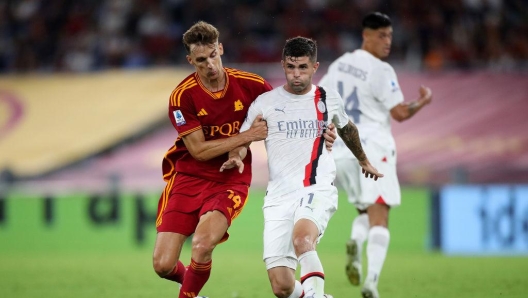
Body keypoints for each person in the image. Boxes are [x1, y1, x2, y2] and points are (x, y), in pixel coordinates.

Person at [152, 21, 336, 298]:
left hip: (229, 178)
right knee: (163, 265)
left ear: (221, 49)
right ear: (191, 61)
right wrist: (246, 136)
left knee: (202, 245)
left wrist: (325, 132)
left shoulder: (251, 85)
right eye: (201, 60)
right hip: (188, 177)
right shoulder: (182, 96)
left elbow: (290, 111)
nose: (210, 64)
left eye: (213, 55)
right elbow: (199, 151)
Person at [220, 36, 383, 298]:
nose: (296, 75)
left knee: (302, 240)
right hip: (278, 196)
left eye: (303, 68)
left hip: (315, 187)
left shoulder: (327, 99)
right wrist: (237, 155)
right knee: (282, 286)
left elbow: (347, 128)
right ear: (283, 64)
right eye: (291, 67)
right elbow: (244, 138)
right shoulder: (266, 103)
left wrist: (363, 159)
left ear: (315, 67)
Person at [318, 12, 433, 298]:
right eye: (381, 35)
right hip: (372, 150)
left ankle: (356, 243)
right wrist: (423, 101)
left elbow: (321, 103)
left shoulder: (340, 65)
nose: (387, 42)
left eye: (390, 36)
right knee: (380, 215)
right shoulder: (382, 71)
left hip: (343, 151)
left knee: (364, 210)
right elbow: (400, 113)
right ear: (365, 35)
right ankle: (371, 282)